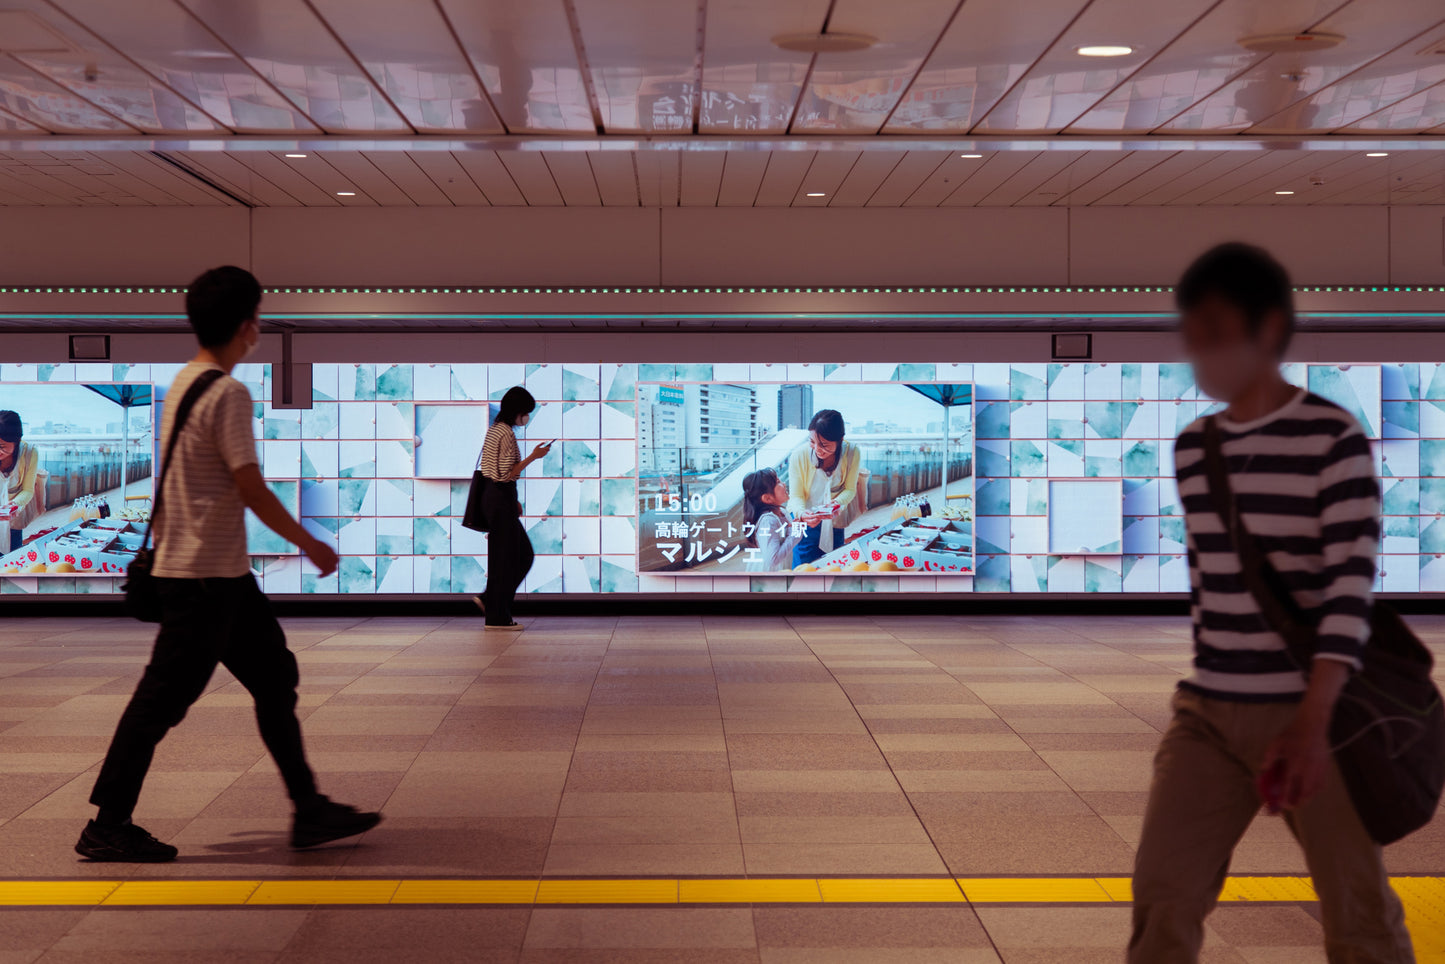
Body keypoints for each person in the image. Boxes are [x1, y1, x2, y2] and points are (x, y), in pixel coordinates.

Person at [1129, 243, 1414, 962]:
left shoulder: (1331, 438)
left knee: (1357, 913)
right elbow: (1211, 588)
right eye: (1193, 336)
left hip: (1310, 713)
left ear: (1269, 330)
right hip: (1205, 711)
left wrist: (1313, 722)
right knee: (1162, 897)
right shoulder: (1195, 448)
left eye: (1217, 333)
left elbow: (1348, 593)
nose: (1203, 355)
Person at [77, 266, 381, 863]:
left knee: (275, 679)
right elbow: (249, 484)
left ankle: (309, 809)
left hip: (222, 578)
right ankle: (107, 824)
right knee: (160, 702)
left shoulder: (185, 383)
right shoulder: (228, 392)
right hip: (202, 581)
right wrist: (309, 541)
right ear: (250, 326)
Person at [473, 386, 550, 630]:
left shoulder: (494, 430)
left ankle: (494, 608)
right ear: (517, 411)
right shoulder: (506, 433)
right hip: (500, 498)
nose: (526, 417)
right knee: (520, 556)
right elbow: (507, 472)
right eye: (525, 412)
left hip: (493, 497)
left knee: (503, 557)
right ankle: (495, 611)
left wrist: (512, 499)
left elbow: (493, 471)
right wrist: (534, 457)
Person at [786, 409, 860, 566]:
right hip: (805, 519)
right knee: (804, 569)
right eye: (812, 441)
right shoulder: (799, 455)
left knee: (835, 565)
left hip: (834, 519)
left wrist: (837, 503)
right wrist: (802, 514)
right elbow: (796, 496)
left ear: (840, 440)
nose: (817, 449)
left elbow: (850, 489)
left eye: (824, 445)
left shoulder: (852, 452)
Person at [741, 468, 801, 572]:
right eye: (778, 482)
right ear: (767, 498)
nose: (784, 484)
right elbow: (773, 559)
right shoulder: (768, 521)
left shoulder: (782, 512)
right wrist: (795, 534)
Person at [0, 411, 38, 552]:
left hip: (13, 522)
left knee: (12, 564)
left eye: (2, 446)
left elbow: (28, 489)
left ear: (16, 441)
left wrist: (15, 504)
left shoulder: (29, 453)